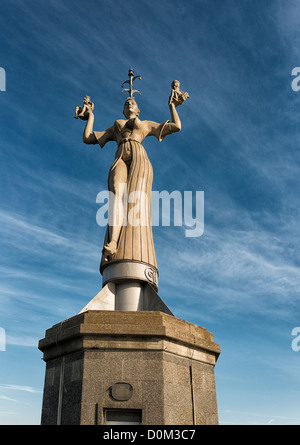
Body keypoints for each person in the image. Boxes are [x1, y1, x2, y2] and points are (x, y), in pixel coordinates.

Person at [78, 92, 183, 269]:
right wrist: (90, 116)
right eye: (127, 102)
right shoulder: (115, 127)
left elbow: (177, 126)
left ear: (138, 110)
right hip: (119, 157)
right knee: (116, 196)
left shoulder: (146, 125)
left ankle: (134, 244)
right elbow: (88, 138)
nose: (129, 102)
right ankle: (112, 242)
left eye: (132, 101)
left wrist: (172, 106)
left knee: (136, 200)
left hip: (139, 157)